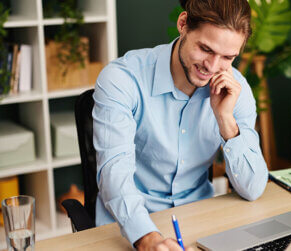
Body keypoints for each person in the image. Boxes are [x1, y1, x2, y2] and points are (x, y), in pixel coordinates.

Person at [92, 0, 268, 250]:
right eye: (206, 49)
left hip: (199, 223)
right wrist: (146, 238)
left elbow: (253, 188)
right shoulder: (123, 79)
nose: (212, 66)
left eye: (228, 57)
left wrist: (226, 121)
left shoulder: (235, 89)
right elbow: (114, 172)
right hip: (128, 228)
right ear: (183, 24)